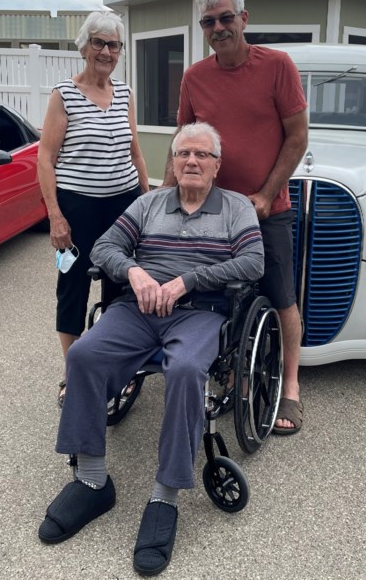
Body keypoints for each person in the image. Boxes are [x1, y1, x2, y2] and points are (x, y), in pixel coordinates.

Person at [38, 121, 264, 576]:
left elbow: (254, 262)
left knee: (184, 370)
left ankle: (165, 495)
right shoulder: (148, 203)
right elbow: (104, 247)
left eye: (202, 155)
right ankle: (92, 479)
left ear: (217, 165)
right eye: (184, 154)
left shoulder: (236, 208)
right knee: (83, 355)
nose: (192, 162)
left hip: (200, 310)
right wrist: (136, 273)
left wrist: (187, 281)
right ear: (173, 162)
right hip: (138, 308)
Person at [163, 0, 309, 435]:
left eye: (226, 18)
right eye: (209, 22)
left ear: (244, 18)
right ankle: (226, 372)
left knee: (281, 293)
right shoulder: (195, 77)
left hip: (267, 208)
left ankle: (291, 388)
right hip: (211, 212)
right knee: (216, 295)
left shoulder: (278, 66)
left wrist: (266, 194)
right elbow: (183, 144)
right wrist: (162, 201)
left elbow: (298, 136)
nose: (219, 28)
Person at [37, 5, 150, 409]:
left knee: (121, 287)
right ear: (85, 47)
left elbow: (134, 148)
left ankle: (117, 368)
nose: (106, 51)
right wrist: (55, 215)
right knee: (73, 286)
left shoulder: (124, 94)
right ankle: (75, 374)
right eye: (99, 43)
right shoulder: (63, 95)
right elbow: (46, 158)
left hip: (122, 206)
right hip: (76, 208)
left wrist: (145, 198)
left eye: (114, 45)